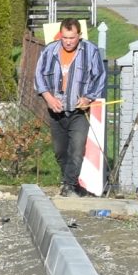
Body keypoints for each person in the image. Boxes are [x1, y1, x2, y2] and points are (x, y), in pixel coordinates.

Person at [36, 17, 107, 196]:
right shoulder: (49, 51)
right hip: (56, 111)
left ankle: (68, 185)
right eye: (65, 37)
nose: (68, 42)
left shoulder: (90, 51)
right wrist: (48, 98)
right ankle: (70, 182)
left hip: (78, 111)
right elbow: (39, 76)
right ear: (60, 35)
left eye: (72, 38)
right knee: (60, 151)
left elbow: (99, 76)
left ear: (79, 35)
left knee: (76, 148)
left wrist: (88, 97)